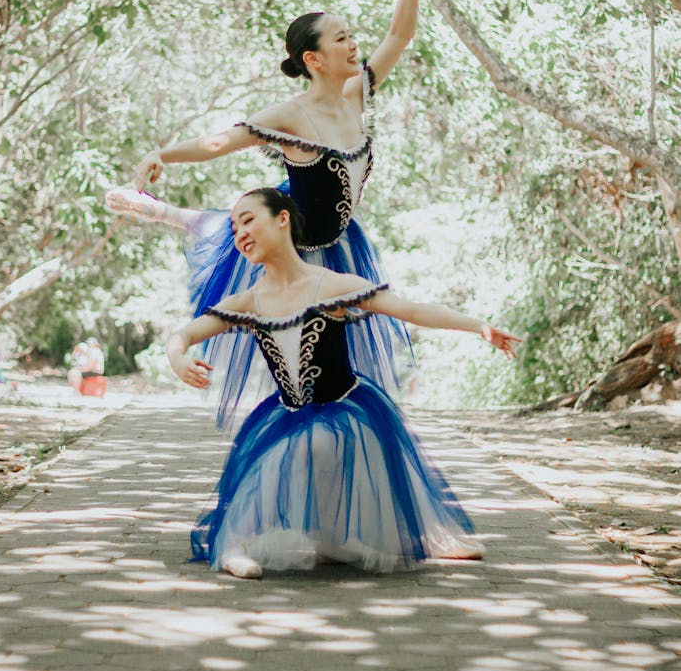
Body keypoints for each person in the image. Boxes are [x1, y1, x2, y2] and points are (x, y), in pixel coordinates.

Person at [107, 0, 423, 424]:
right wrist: (161, 154)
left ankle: (165, 212)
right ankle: (161, 209)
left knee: (338, 369)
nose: (353, 43)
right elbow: (222, 143)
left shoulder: (359, 92)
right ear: (314, 59)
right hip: (291, 242)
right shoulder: (291, 115)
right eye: (340, 38)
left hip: (340, 242)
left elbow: (399, 37)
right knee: (299, 365)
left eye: (350, 34)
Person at [166, 188, 521, 579]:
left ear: (282, 219)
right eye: (233, 228)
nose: (240, 233)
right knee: (291, 448)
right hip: (287, 414)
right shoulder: (248, 301)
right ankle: (236, 545)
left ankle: (357, 538)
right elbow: (183, 335)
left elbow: (412, 310)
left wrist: (479, 327)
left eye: (248, 219)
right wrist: (177, 357)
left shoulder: (332, 285)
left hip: (348, 409)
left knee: (317, 441)